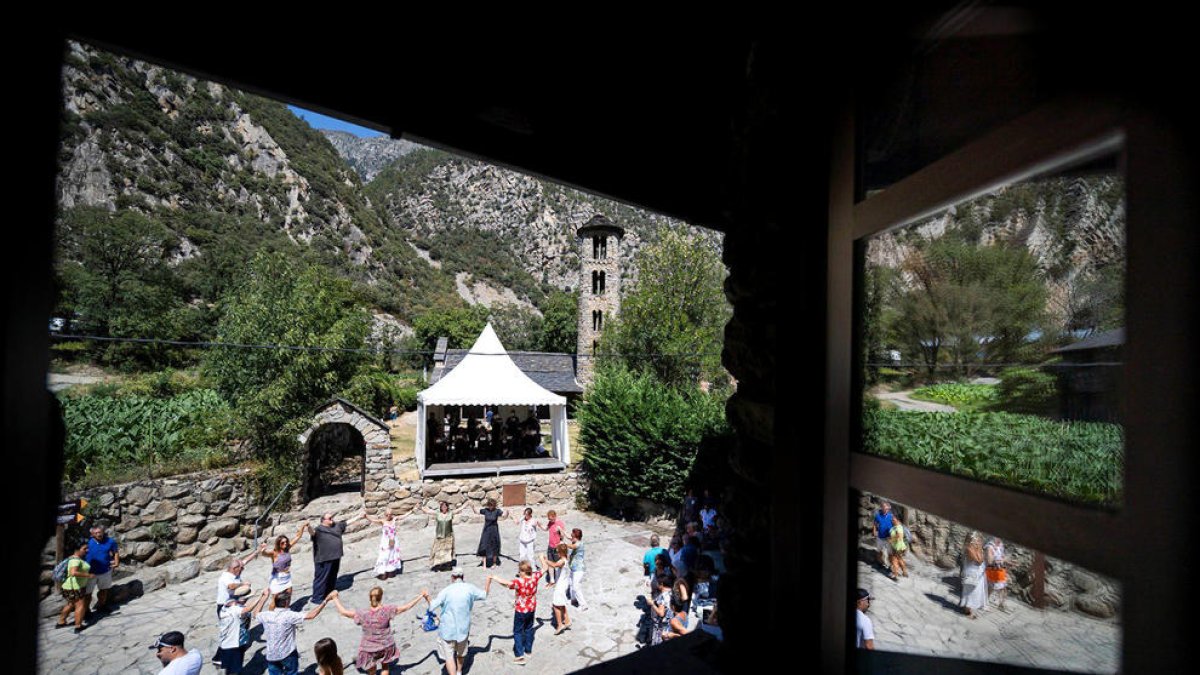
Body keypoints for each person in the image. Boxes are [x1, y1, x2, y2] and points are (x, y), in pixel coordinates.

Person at [329, 587, 429, 675]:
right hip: (386, 646)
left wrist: (335, 598)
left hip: (369, 648)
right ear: (381, 598)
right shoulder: (388, 610)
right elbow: (407, 607)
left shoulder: (362, 613)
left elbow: (343, 612)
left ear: (369, 598)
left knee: (371, 670)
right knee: (385, 667)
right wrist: (421, 596)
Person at [255, 590, 333, 675]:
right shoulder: (289, 615)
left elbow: (255, 614)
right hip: (288, 653)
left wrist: (263, 598)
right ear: (286, 602)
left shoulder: (266, 615)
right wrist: (326, 600)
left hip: (271, 654)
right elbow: (311, 615)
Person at [428, 566, 488, 675]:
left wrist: (426, 596)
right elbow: (484, 595)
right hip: (463, 629)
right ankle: (459, 671)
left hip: (447, 629)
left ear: (452, 577)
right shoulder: (470, 588)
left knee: (449, 657)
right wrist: (488, 581)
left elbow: (432, 606)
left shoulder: (446, 590)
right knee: (461, 653)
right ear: (463, 577)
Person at [487, 560, 544, 665]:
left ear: (523, 571)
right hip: (531, 609)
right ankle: (528, 650)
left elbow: (507, 583)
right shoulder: (534, 577)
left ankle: (519, 656)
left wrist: (495, 578)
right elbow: (544, 569)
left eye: (519, 571)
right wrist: (542, 559)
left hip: (521, 610)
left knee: (517, 632)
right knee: (529, 629)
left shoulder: (519, 582)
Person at [309, 511, 364, 606]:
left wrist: (359, 516)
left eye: (332, 518)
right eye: (329, 518)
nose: (332, 520)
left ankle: (329, 592)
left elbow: (347, 522)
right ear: (323, 520)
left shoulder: (337, 526)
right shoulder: (319, 529)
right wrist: (308, 526)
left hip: (336, 556)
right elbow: (312, 533)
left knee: (332, 576)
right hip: (323, 558)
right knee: (321, 578)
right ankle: (317, 598)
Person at [216, 585, 269, 674]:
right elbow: (247, 609)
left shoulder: (227, 605)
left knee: (232, 668)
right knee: (234, 670)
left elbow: (251, 612)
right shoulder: (235, 609)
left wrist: (263, 599)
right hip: (233, 644)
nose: (248, 600)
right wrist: (260, 597)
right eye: (247, 598)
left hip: (232, 642)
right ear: (241, 599)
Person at [56, 541, 93, 633]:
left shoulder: (73, 558)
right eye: (84, 549)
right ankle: (78, 626)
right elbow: (73, 573)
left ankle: (61, 622)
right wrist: (88, 575)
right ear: (77, 550)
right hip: (76, 587)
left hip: (69, 586)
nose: (87, 550)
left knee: (71, 604)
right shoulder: (75, 560)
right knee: (80, 606)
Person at [261, 523, 307, 596]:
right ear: (278, 544)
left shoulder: (287, 548)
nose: (285, 544)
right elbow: (264, 554)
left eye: (286, 542)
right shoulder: (274, 553)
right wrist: (263, 549)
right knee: (275, 601)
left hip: (287, 577)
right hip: (277, 578)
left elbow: (298, 536)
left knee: (287, 598)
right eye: (282, 543)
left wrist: (303, 526)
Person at [422, 500, 467, 571]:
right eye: (442, 506)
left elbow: (459, 509)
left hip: (448, 536)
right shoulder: (437, 513)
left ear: (447, 507)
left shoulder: (450, 513)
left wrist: (467, 504)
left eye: (445, 506)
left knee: (447, 551)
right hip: (439, 536)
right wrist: (420, 507)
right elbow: (427, 511)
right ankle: (438, 564)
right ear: (440, 507)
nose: (444, 507)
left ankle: (446, 564)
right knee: (439, 551)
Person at [85, 524, 119, 613]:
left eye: (100, 532)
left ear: (103, 532)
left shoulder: (110, 541)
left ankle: (102, 606)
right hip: (90, 573)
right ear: (92, 534)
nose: (98, 534)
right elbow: (80, 553)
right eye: (96, 533)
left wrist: (116, 562)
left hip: (105, 571)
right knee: (87, 593)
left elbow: (115, 552)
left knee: (103, 591)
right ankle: (86, 611)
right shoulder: (87, 542)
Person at [540, 545, 572, 634]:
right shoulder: (566, 558)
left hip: (561, 586)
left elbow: (554, 565)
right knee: (561, 603)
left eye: (558, 552)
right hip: (563, 584)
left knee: (555, 604)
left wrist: (544, 560)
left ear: (561, 552)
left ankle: (560, 624)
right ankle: (567, 620)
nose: (557, 553)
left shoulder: (562, 561)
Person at [364, 509, 404, 580]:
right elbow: (373, 520)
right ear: (385, 514)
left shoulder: (394, 519)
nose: (389, 516)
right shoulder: (382, 521)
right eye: (387, 514)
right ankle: (382, 570)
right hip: (385, 542)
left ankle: (390, 569)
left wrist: (412, 510)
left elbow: (403, 516)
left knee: (392, 555)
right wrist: (366, 516)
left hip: (394, 541)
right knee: (384, 555)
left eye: (390, 514)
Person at [959, 531, 987, 618]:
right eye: (977, 540)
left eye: (979, 540)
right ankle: (968, 611)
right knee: (971, 592)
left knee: (976, 592)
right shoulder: (969, 548)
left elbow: (981, 559)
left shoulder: (978, 549)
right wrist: (979, 550)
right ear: (972, 540)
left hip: (978, 573)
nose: (978, 542)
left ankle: (966, 607)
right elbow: (979, 561)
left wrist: (979, 550)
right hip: (972, 573)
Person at [475, 498, 505, 568]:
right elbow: (476, 512)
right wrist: (472, 507)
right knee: (484, 546)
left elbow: (504, 516)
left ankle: (494, 563)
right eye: (489, 505)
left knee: (494, 546)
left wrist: (507, 514)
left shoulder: (497, 511)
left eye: (491, 505)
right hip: (486, 531)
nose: (490, 507)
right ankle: (484, 563)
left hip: (494, 531)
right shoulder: (485, 510)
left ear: (494, 505)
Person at [564, 527, 589, 611]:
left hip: (579, 569)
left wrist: (563, 543)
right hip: (573, 568)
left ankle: (583, 605)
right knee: (571, 583)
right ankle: (573, 599)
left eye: (572, 534)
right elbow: (568, 536)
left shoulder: (578, 544)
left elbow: (571, 546)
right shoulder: (575, 540)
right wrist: (561, 530)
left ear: (576, 536)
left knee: (576, 586)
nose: (571, 536)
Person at [543, 509, 568, 587]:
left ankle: (560, 580)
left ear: (555, 516)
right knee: (550, 564)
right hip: (550, 546)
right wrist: (539, 525)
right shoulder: (550, 523)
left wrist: (560, 530)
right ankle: (552, 580)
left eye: (551, 519)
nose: (550, 520)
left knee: (558, 565)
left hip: (557, 548)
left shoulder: (560, 523)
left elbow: (563, 536)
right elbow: (545, 529)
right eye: (549, 519)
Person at [985, 536, 1009, 610]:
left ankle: (1001, 603)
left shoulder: (1001, 545)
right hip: (992, 569)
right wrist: (1000, 560)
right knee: (991, 587)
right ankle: (985, 602)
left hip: (1000, 569)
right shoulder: (990, 546)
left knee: (1003, 586)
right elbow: (989, 561)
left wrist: (1004, 559)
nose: (1000, 540)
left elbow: (1003, 556)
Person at [648, 573, 672, 646]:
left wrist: (652, 604)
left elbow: (661, 613)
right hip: (669, 624)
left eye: (657, 583)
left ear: (661, 584)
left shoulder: (662, 596)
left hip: (661, 625)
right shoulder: (672, 592)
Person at [872, 500, 895, 570]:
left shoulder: (891, 516)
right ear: (881, 507)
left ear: (888, 508)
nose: (884, 508)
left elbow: (896, 525)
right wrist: (874, 531)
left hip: (889, 538)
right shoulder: (878, 516)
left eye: (886, 507)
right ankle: (880, 563)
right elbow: (875, 524)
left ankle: (891, 566)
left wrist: (894, 535)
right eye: (883, 507)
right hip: (880, 537)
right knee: (879, 551)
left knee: (890, 553)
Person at [888, 514, 909, 580]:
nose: (892, 520)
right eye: (892, 519)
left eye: (894, 519)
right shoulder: (895, 527)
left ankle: (895, 574)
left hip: (898, 547)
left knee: (894, 560)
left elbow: (900, 537)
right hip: (897, 546)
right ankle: (905, 572)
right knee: (899, 559)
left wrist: (891, 540)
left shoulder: (899, 527)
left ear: (898, 520)